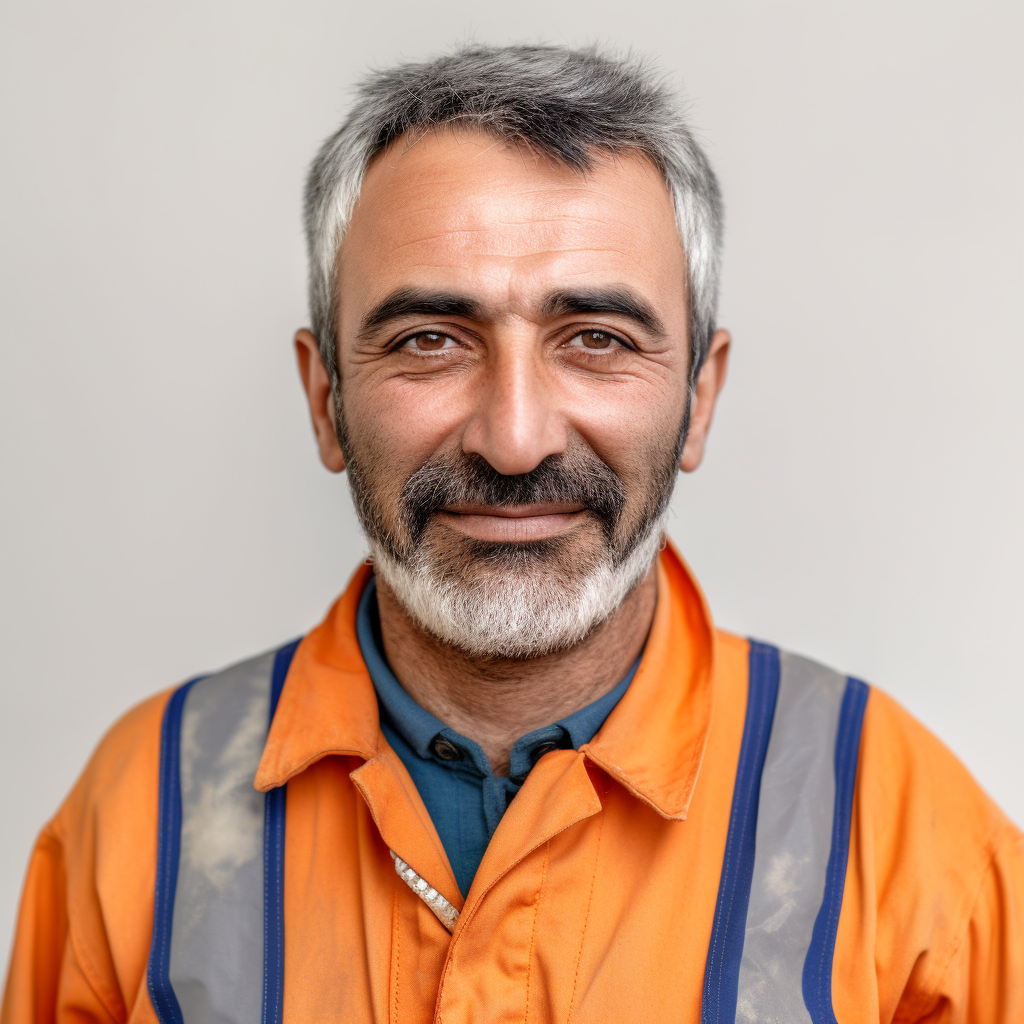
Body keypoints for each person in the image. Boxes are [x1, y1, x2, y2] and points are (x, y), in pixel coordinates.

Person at [3, 42, 1022, 1024]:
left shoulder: (903, 830)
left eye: (595, 339)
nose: (515, 438)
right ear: (325, 401)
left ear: (699, 400)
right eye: (431, 340)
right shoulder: (139, 810)